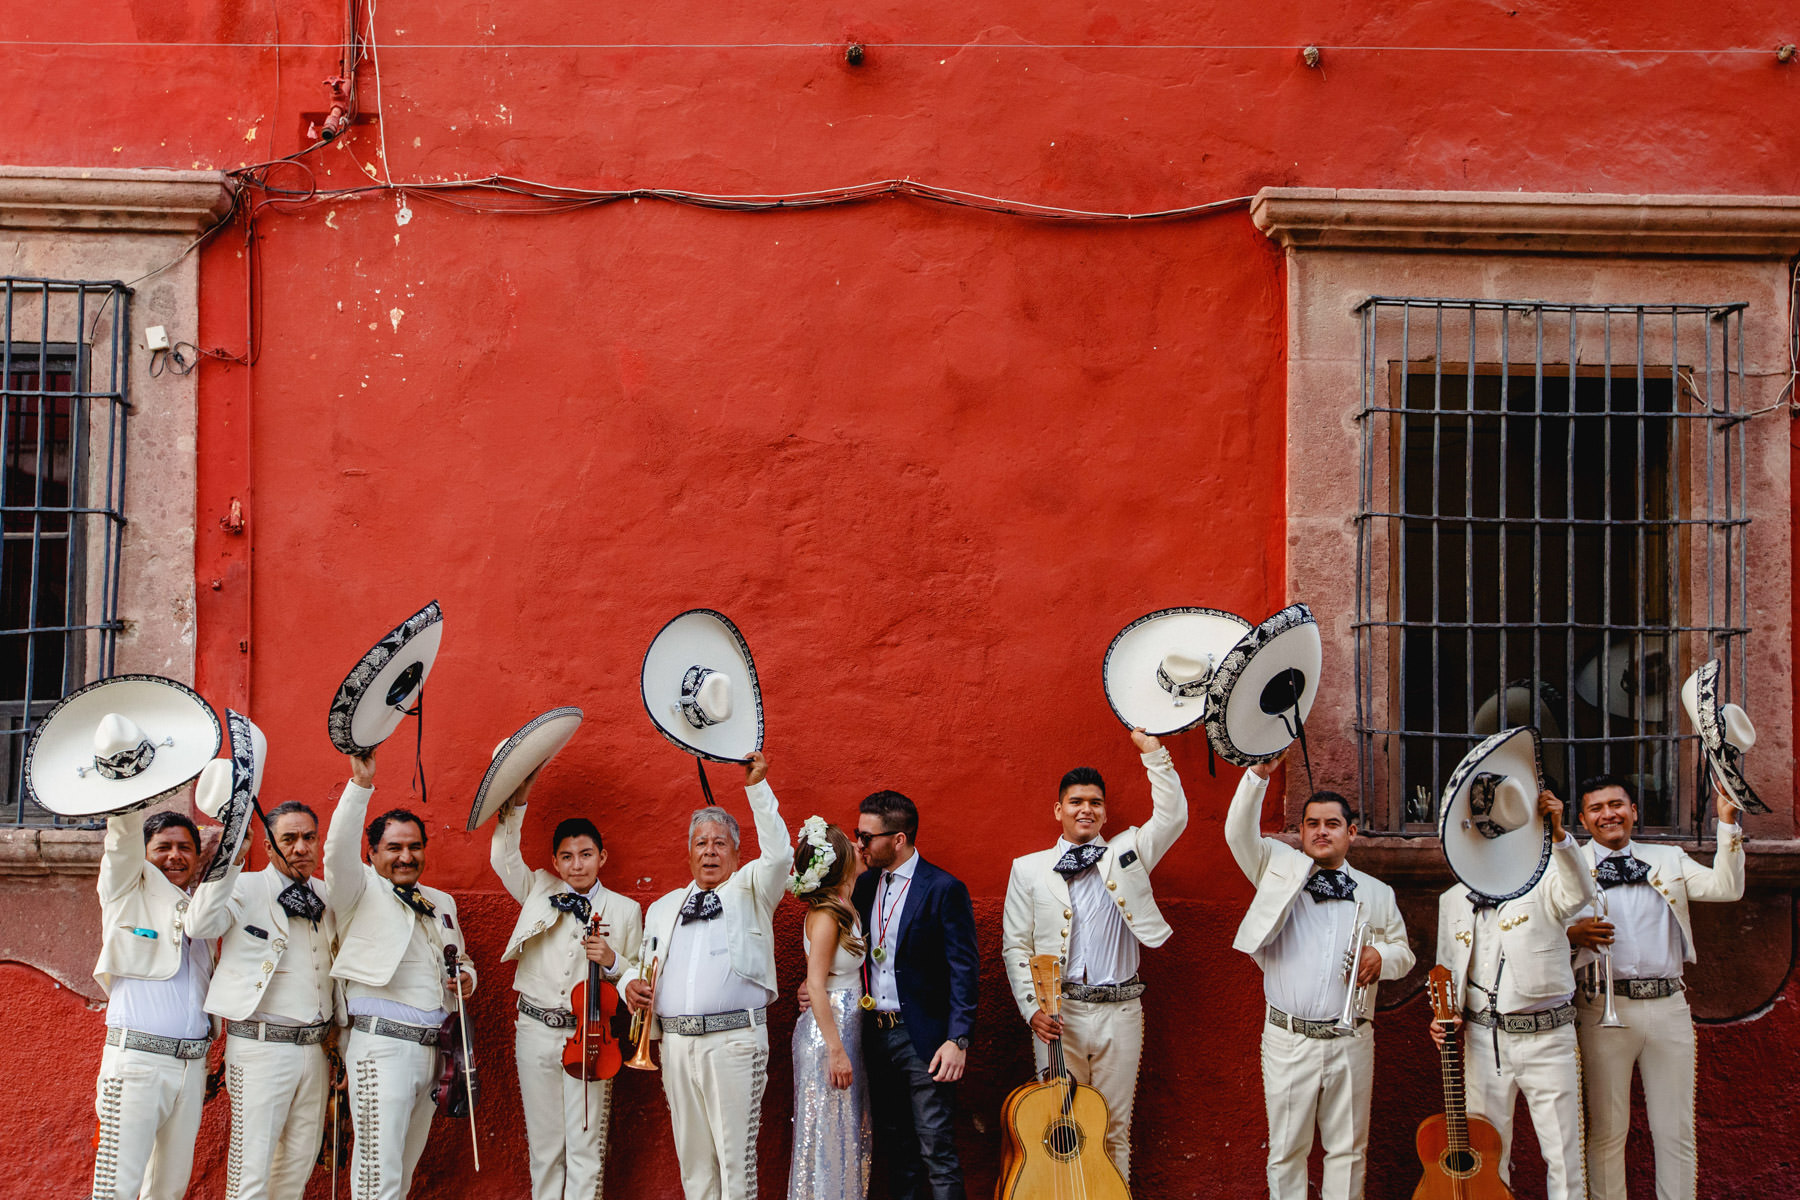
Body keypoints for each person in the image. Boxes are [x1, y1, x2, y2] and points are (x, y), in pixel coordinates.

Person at [999, 726, 1189, 1183]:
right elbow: (1016, 944)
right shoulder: (1028, 869)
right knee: (1058, 1129)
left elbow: (1174, 817)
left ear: (1104, 812)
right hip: (1057, 1015)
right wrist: (1031, 1010)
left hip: (1120, 1010)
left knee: (1113, 1128)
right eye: (1077, 801)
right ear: (1059, 809)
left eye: (1095, 802)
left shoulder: (1128, 853)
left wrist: (1154, 754)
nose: (1087, 809)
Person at [1226, 749, 1413, 1200]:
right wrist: (1257, 775)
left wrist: (1381, 957)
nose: (1321, 831)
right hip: (1289, 1039)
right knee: (1287, 1150)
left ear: (1350, 832)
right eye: (1313, 824)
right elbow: (1237, 835)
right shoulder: (1276, 869)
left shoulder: (1378, 892)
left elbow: (1404, 952)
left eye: (1332, 824)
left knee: (1348, 1150)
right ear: (1302, 832)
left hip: (1352, 1039)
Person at [621, 751, 791, 1200]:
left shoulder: (753, 887)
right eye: (701, 842)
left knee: (736, 1165)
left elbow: (780, 854)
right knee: (694, 1165)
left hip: (734, 1042)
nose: (710, 851)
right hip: (675, 1046)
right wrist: (629, 986)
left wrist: (757, 787)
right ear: (689, 851)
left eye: (720, 843)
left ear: (737, 852)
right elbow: (642, 971)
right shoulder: (661, 909)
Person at [1570, 774, 1745, 1200]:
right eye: (1597, 808)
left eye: (1617, 805)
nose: (1608, 814)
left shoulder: (1668, 858)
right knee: (1608, 1131)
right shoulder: (1566, 863)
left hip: (1668, 1006)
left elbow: (1728, 888)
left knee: (1675, 1130)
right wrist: (1571, 935)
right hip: (1601, 1006)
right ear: (1582, 819)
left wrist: (1726, 823)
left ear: (1633, 811)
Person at [323, 748, 476, 1200]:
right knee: (377, 1177)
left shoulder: (441, 901)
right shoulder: (358, 889)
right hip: (381, 1050)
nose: (406, 857)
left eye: (414, 847)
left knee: (403, 1172)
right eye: (394, 848)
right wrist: (360, 785)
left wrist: (466, 979)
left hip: (436, 1055)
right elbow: (336, 851)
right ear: (372, 853)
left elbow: (461, 961)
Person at [1431, 786, 1596, 1200]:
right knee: (1486, 1152)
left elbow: (1579, 894)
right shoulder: (1452, 899)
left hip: (1549, 1037)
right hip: (1484, 1043)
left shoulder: (1546, 882)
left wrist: (1560, 835)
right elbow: (1446, 969)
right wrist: (1442, 1018)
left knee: (1563, 1154)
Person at [491, 790, 644, 1200]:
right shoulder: (538, 888)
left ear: (602, 858)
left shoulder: (626, 910)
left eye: (586, 854)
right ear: (555, 862)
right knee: (545, 1148)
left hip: (591, 1035)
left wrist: (613, 961)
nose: (577, 864)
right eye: (567, 856)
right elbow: (502, 859)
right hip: (535, 1029)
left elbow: (637, 977)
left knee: (586, 1146)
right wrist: (516, 805)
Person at [91, 806, 241, 1200]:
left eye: (185, 848)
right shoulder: (125, 892)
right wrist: (128, 798)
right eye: (163, 847)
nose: (175, 855)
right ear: (143, 854)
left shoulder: (202, 912)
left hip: (191, 1069)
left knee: (169, 1189)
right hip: (136, 1063)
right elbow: (121, 844)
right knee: (116, 1189)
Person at [205, 800, 337, 1200]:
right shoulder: (242, 888)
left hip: (315, 1051)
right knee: (252, 1170)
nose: (300, 848)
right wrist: (230, 861)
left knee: (297, 1164)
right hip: (260, 1046)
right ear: (268, 847)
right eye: (289, 839)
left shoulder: (327, 895)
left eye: (309, 837)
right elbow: (201, 924)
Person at [852, 788, 979, 1200]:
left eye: (867, 836)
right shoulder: (864, 885)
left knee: (935, 1148)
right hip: (874, 1034)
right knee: (895, 1149)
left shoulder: (944, 888)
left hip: (923, 1039)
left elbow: (964, 968)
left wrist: (957, 1039)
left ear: (899, 839)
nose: (859, 843)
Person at [785, 817, 871, 1200]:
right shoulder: (825, 915)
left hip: (846, 1028)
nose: (859, 845)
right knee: (826, 1138)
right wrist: (836, 1051)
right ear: (839, 862)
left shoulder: (844, 904)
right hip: (827, 1036)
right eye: (850, 844)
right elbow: (816, 983)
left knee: (845, 1133)